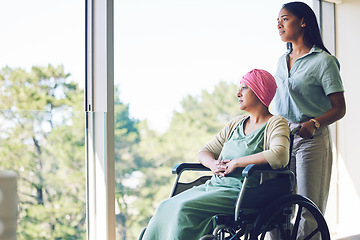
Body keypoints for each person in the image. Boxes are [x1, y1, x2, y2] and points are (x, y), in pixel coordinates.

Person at [140, 69, 290, 240]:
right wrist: (212, 164)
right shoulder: (236, 123)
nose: (237, 93)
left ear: (259, 91)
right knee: (165, 206)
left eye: (244, 88)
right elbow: (204, 151)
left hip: (245, 191)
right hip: (215, 185)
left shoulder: (276, 123)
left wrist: (237, 163)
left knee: (184, 209)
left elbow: (280, 155)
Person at [272, 1, 346, 238]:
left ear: (303, 21)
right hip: (283, 141)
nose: (279, 25)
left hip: (311, 140)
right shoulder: (281, 62)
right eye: (277, 21)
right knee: (279, 206)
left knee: (309, 207)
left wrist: (314, 123)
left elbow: (339, 108)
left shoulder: (324, 61)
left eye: (285, 19)